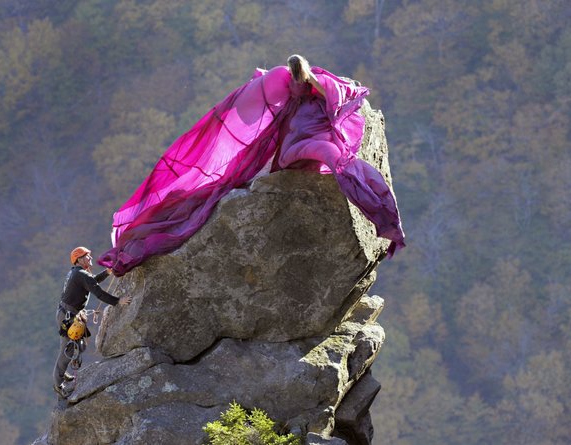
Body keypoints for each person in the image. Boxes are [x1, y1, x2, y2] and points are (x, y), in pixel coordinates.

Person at [98, 55, 405, 277]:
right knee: (206, 197)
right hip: (290, 147)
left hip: (290, 147)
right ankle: (384, 218)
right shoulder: (305, 87)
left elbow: (254, 108)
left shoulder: (298, 85)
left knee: (206, 196)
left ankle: (381, 216)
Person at [53, 246, 132, 398]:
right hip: (69, 316)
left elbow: (92, 282)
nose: (90, 258)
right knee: (68, 348)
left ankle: (62, 373)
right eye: (87, 256)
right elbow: (99, 293)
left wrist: (107, 272)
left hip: (68, 314)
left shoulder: (77, 273)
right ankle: (58, 384)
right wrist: (118, 301)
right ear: (79, 259)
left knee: (79, 345)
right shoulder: (81, 274)